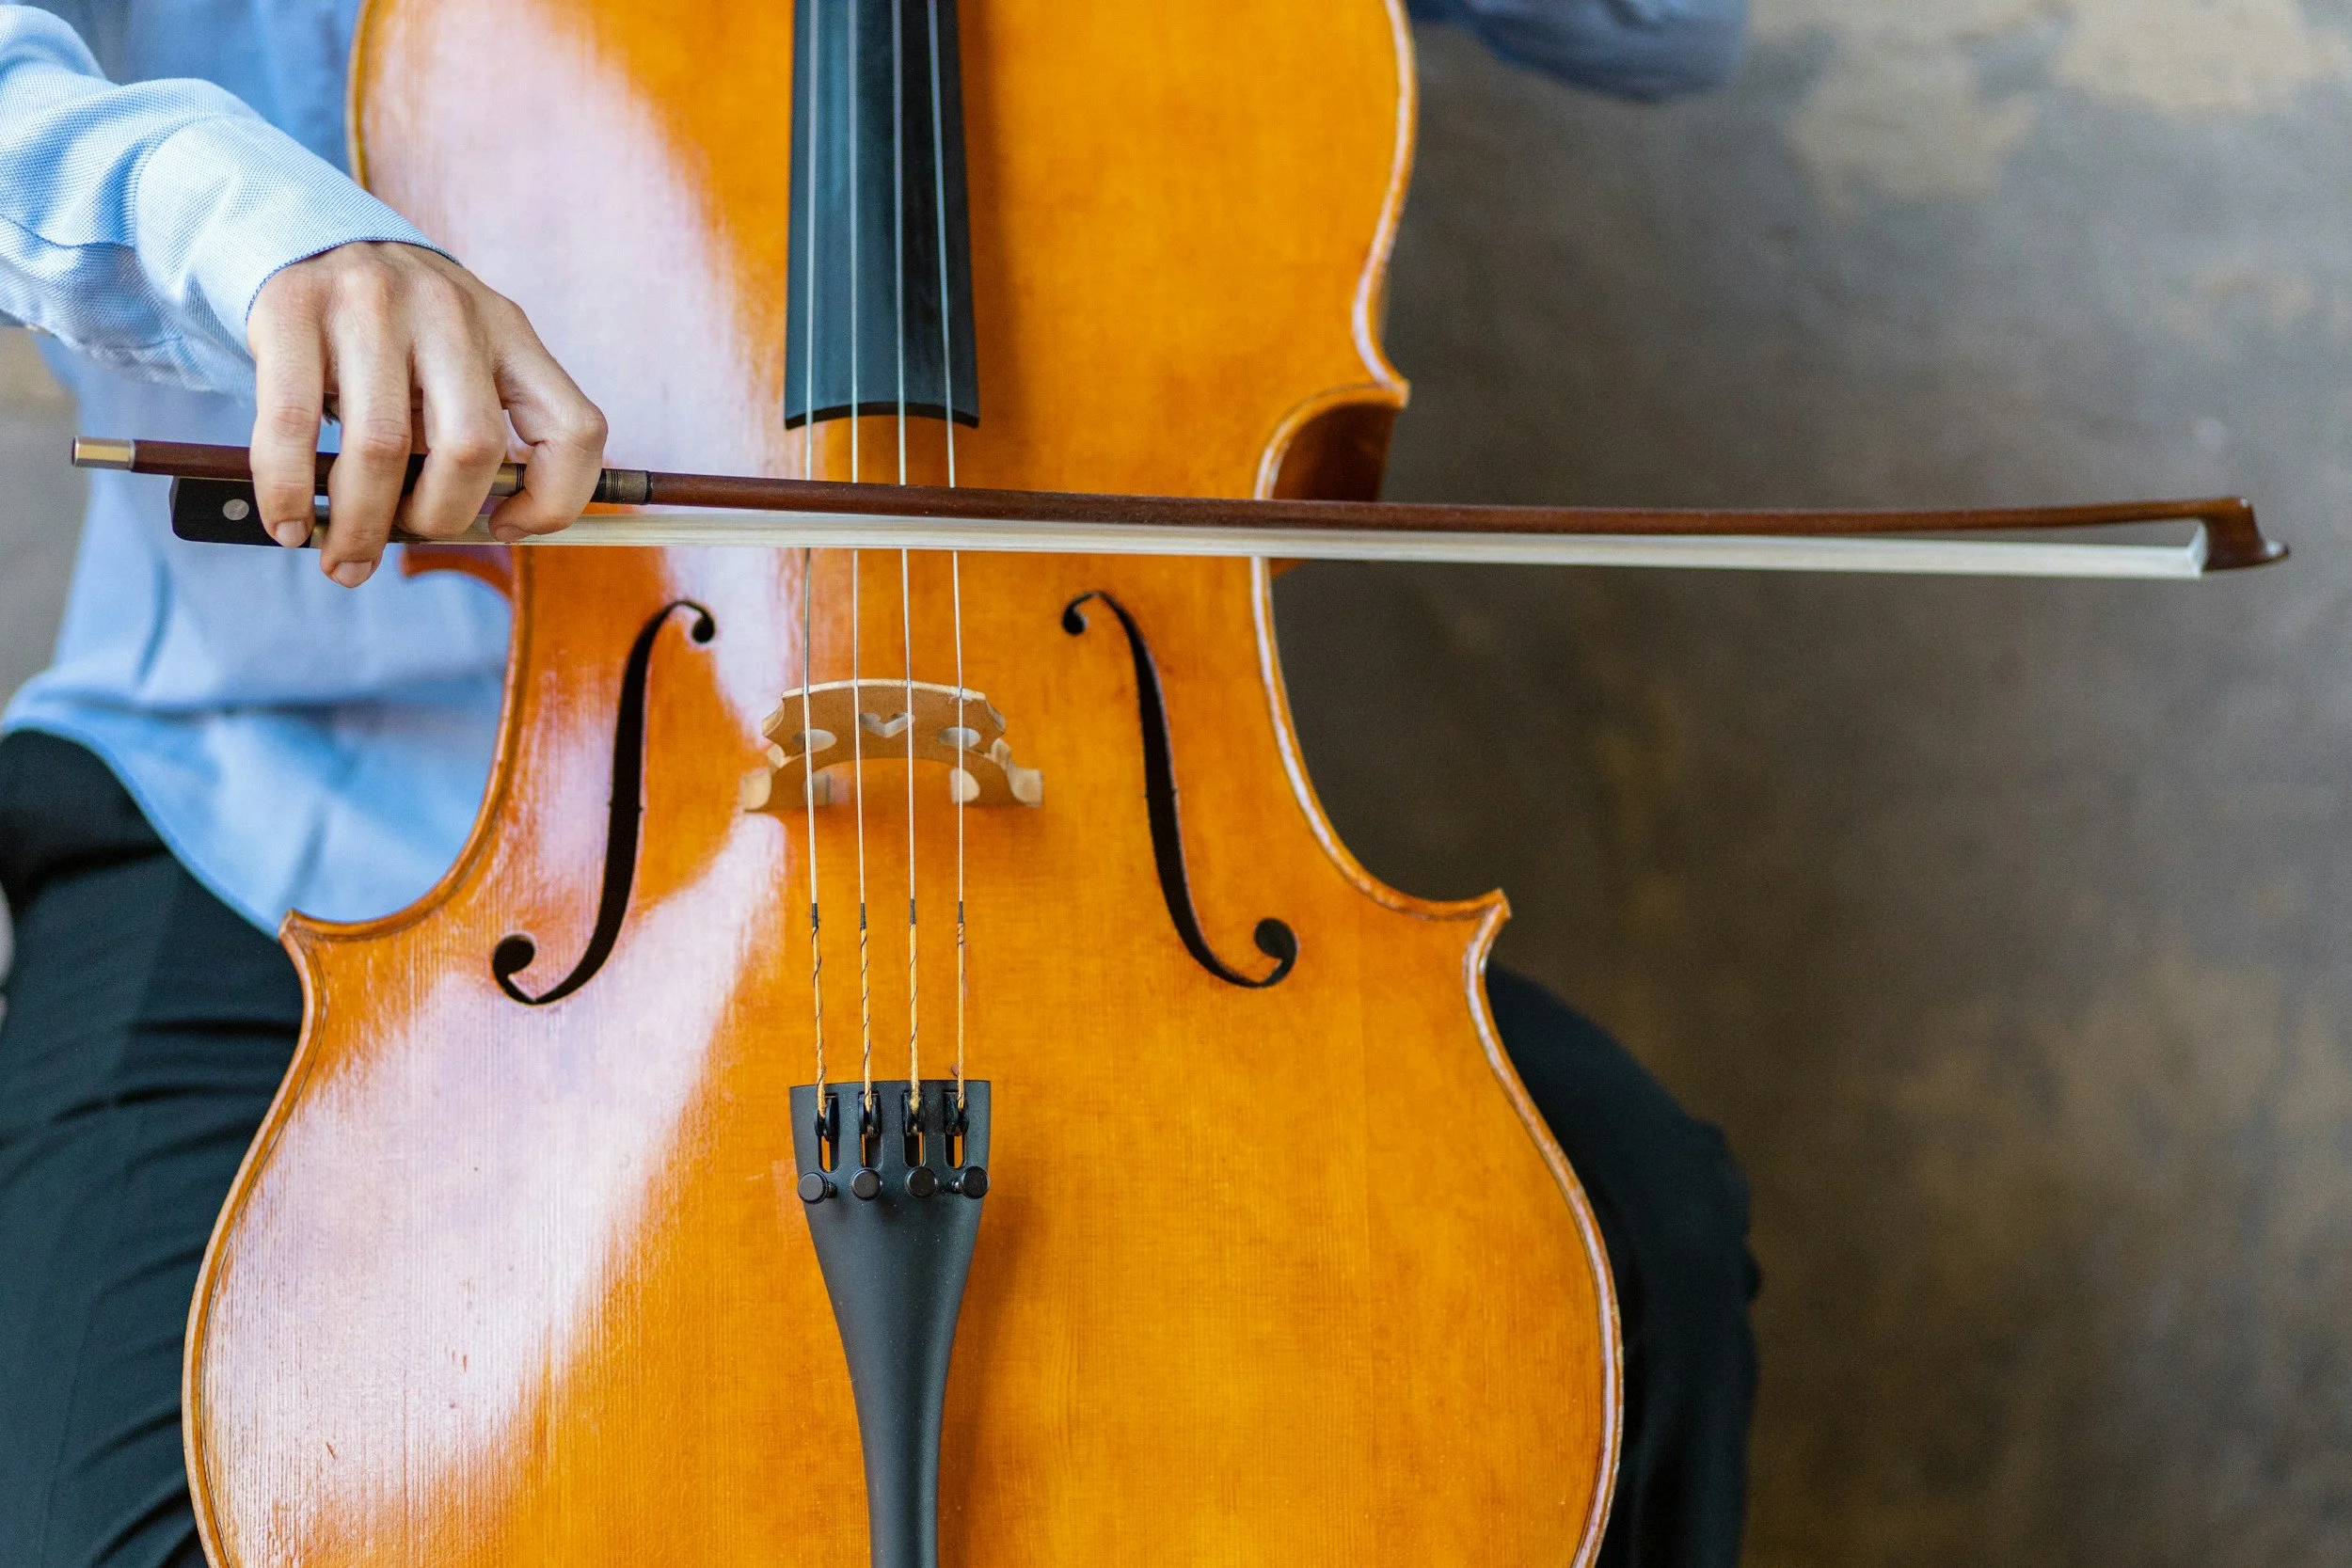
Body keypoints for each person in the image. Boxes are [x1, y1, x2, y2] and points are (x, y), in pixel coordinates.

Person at [0, 3, 1756, 1566]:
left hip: (1077, 837)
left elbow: (1664, 31)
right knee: (142, 1515)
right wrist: (240, 218)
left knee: (1623, 1269)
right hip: (274, 813)